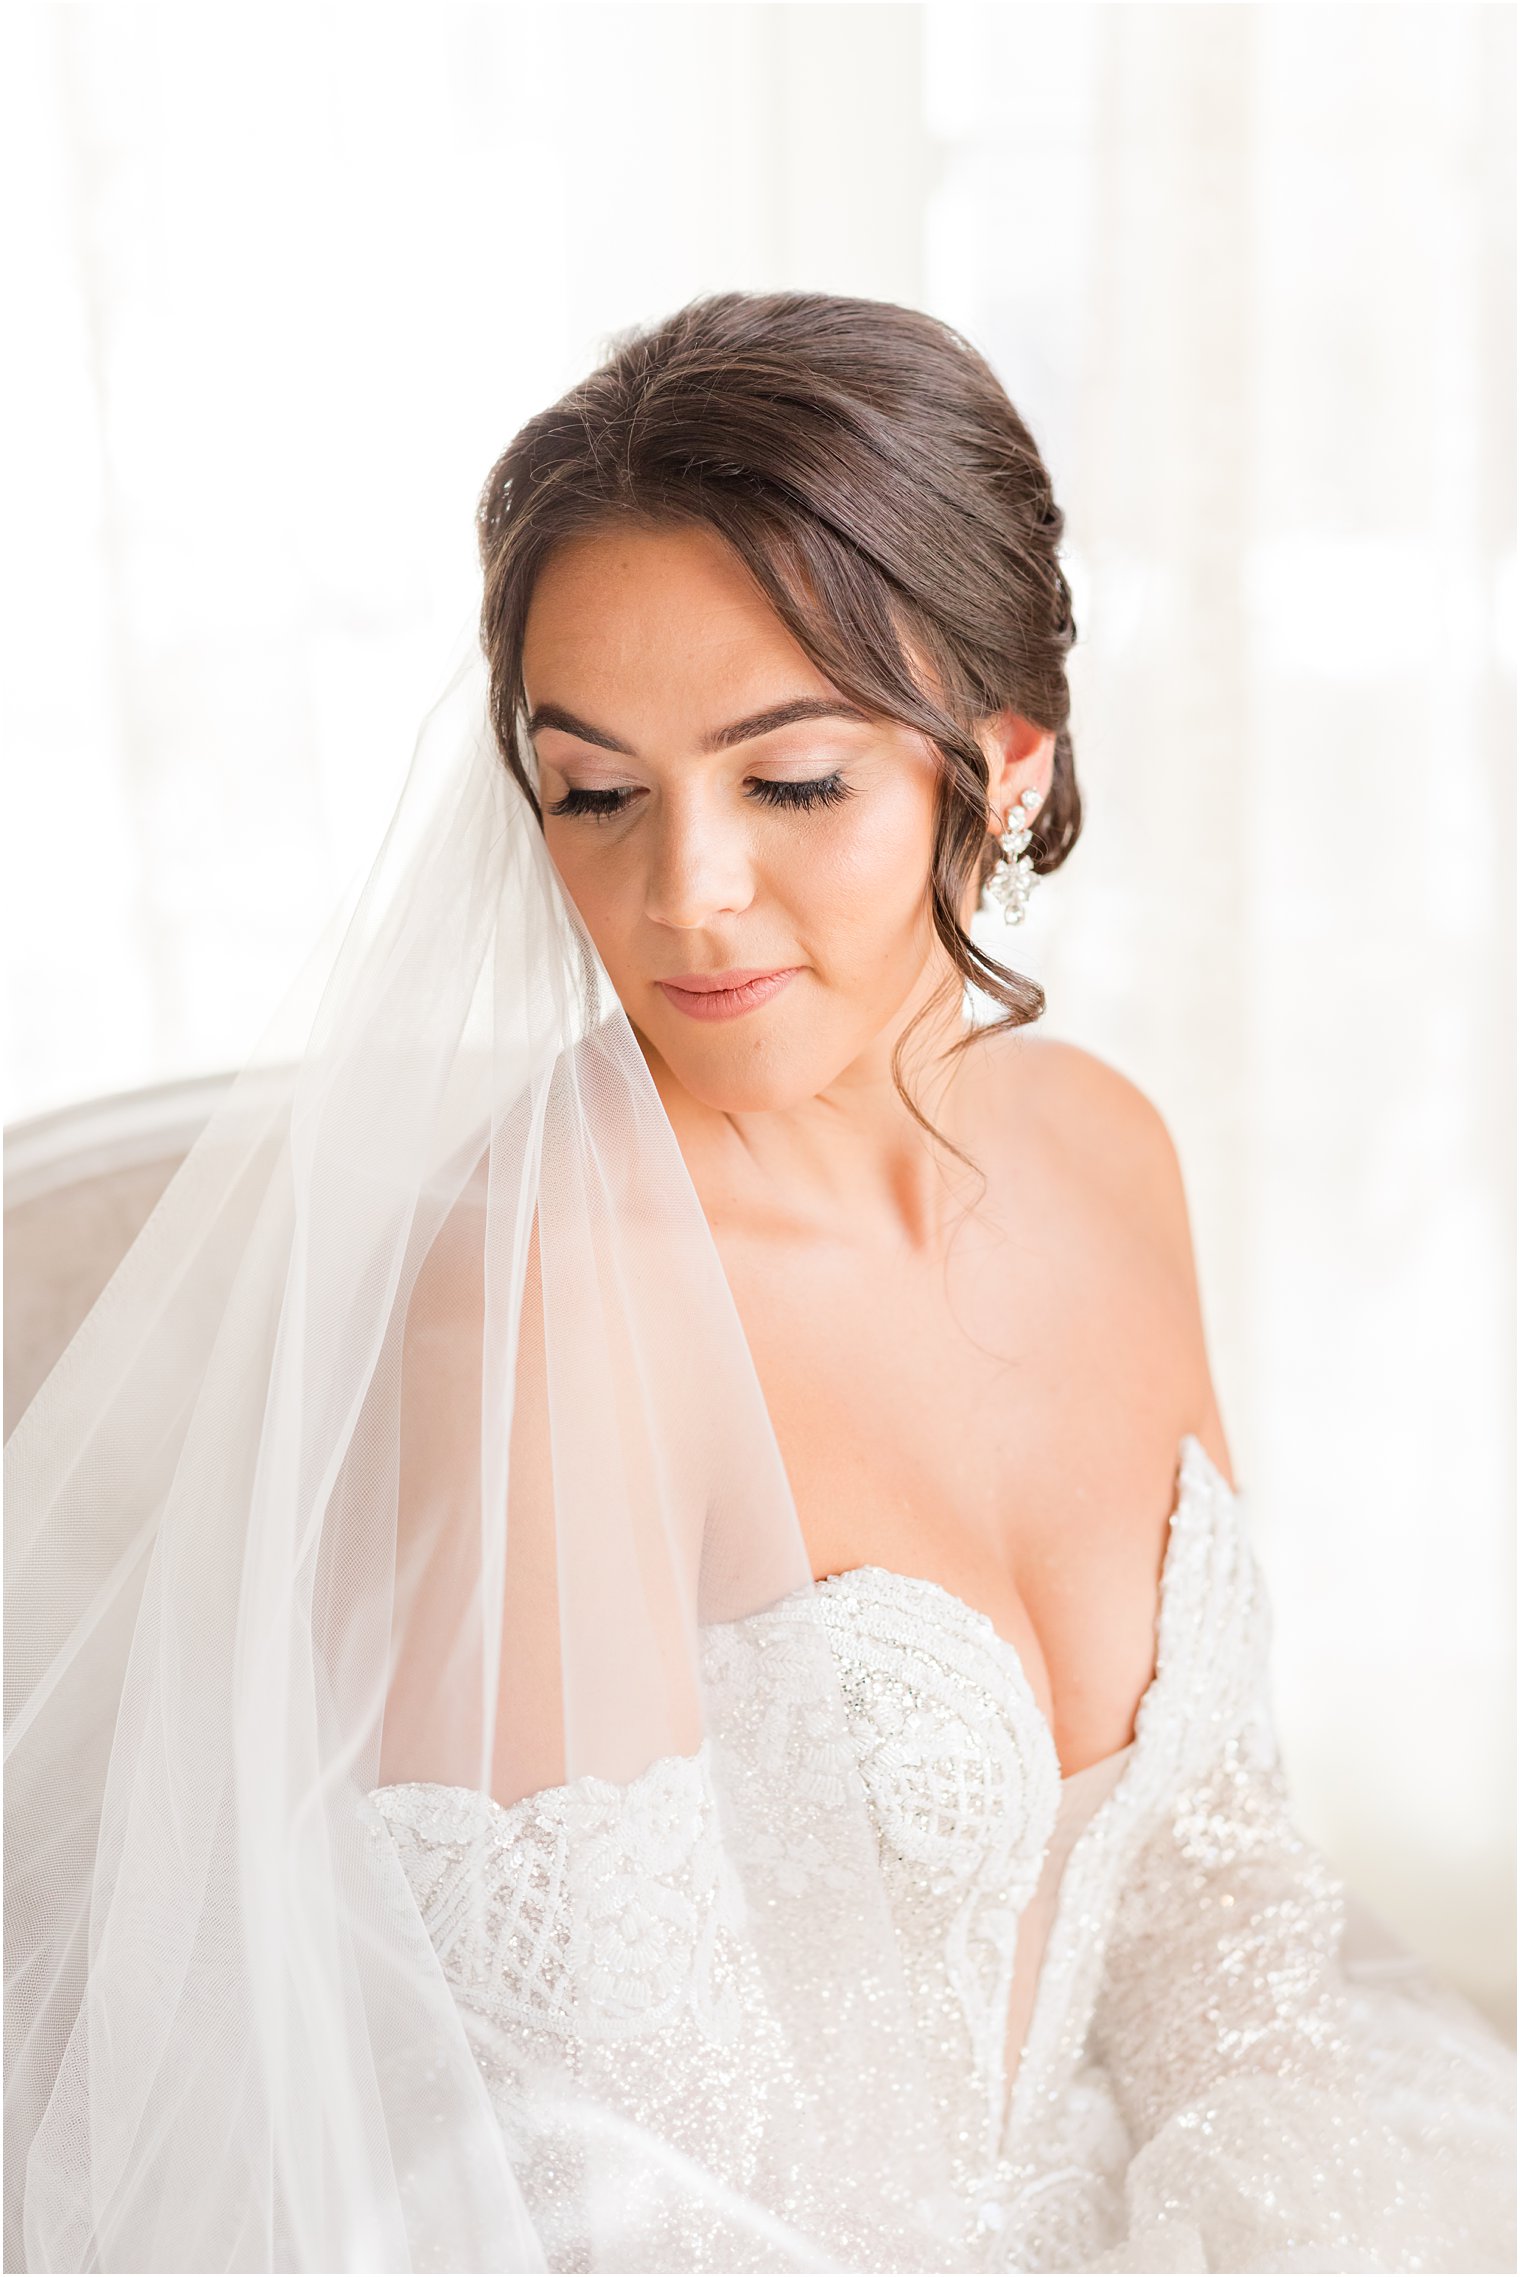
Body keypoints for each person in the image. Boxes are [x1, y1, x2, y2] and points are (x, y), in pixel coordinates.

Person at [5, 292, 1514, 2275]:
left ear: (1003, 763)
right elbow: (612, 2146)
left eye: (787, 780)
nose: (681, 895)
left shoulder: (1102, 1148)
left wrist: (1259, 2211)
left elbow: (1203, 1867)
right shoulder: (545, 1295)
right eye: (595, 789)